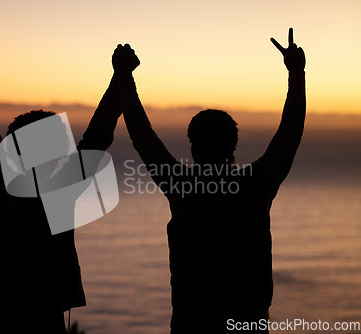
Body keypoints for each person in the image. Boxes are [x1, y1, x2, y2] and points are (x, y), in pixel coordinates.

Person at [113, 28, 306, 333]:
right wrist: (296, 73)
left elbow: (142, 135)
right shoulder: (256, 185)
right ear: (234, 145)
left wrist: (124, 77)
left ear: (193, 145)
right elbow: (290, 132)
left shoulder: (181, 186)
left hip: (192, 320)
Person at [0, 40, 122, 333]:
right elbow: (97, 137)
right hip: (45, 309)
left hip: (1, 307)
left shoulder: (1, 181)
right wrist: (119, 80)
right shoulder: (63, 187)